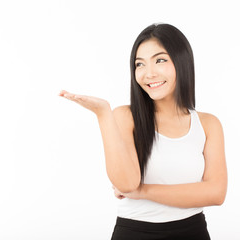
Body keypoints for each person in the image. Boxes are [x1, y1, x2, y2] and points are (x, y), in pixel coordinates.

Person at [59, 23, 227, 240]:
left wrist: (143, 191)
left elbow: (216, 193)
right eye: (140, 64)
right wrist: (103, 115)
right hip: (135, 233)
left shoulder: (208, 124)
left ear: (181, 60)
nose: (149, 73)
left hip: (193, 232)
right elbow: (126, 184)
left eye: (160, 60)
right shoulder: (125, 117)